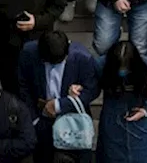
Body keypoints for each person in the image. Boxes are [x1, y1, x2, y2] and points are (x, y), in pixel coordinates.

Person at [18, 31, 100, 162]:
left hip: (73, 120)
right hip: (42, 119)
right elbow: (23, 86)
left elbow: (92, 89)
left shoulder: (82, 57)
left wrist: (60, 105)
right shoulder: (28, 52)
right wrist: (34, 120)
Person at [96, 41, 147, 163]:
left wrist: (145, 110)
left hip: (142, 123)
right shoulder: (101, 65)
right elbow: (92, 88)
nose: (122, 70)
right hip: (113, 119)